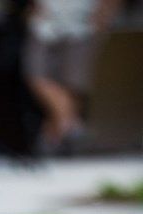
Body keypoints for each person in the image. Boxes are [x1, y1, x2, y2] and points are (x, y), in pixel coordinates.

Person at [22, 0, 120, 153]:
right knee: (35, 75)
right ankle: (70, 125)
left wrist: (106, 12)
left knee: (72, 84)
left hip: (83, 22)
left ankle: (57, 137)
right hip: (45, 23)